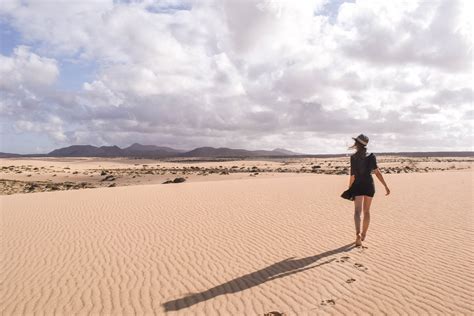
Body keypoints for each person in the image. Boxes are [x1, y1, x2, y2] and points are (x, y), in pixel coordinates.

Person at [348, 134, 390, 246]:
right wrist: (385, 185)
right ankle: (363, 235)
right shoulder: (371, 156)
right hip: (369, 185)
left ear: (357, 144)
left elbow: (352, 175)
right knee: (367, 211)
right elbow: (377, 172)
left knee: (357, 211)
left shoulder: (353, 157)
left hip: (357, 185)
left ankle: (357, 234)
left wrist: (349, 188)